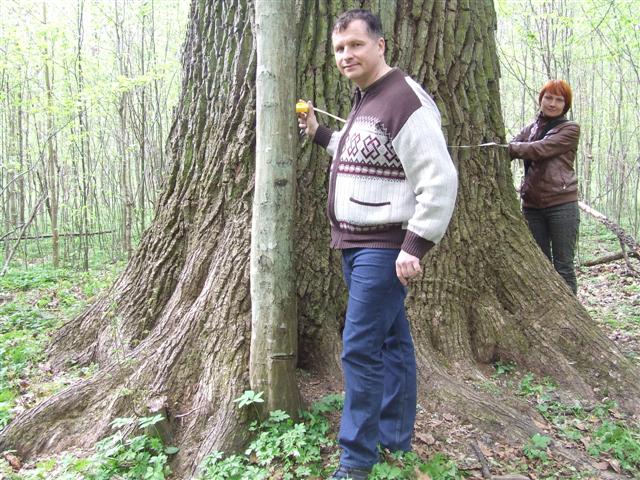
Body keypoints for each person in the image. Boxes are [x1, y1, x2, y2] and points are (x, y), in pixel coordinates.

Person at [297, 9, 457, 479]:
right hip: (356, 245)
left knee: (359, 348)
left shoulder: (403, 99)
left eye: (356, 45)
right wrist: (321, 135)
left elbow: (439, 178)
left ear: (380, 45)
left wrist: (415, 244)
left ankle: (355, 461)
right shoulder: (368, 98)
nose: (346, 55)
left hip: (383, 248)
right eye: (339, 49)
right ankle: (395, 437)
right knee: (391, 342)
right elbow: (364, 150)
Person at [508, 80, 580, 294]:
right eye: (548, 98)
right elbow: (513, 144)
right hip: (532, 206)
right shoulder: (531, 129)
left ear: (565, 105)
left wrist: (507, 148)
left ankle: (569, 311)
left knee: (563, 266)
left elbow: (540, 149)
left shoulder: (570, 129)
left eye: (559, 100)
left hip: (562, 204)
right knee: (540, 266)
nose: (552, 104)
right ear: (541, 99)